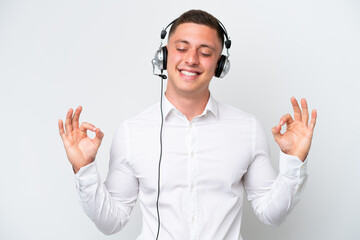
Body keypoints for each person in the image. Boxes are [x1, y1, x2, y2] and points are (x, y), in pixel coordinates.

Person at [58, 9, 317, 240]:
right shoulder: (132, 131)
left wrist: (294, 161)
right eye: (182, 48)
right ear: (163, 55)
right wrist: (84, 168)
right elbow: (110, 223)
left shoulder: (247, 129)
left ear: (219, 65)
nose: (191, 59)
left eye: (205, 52)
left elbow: (272, 215)